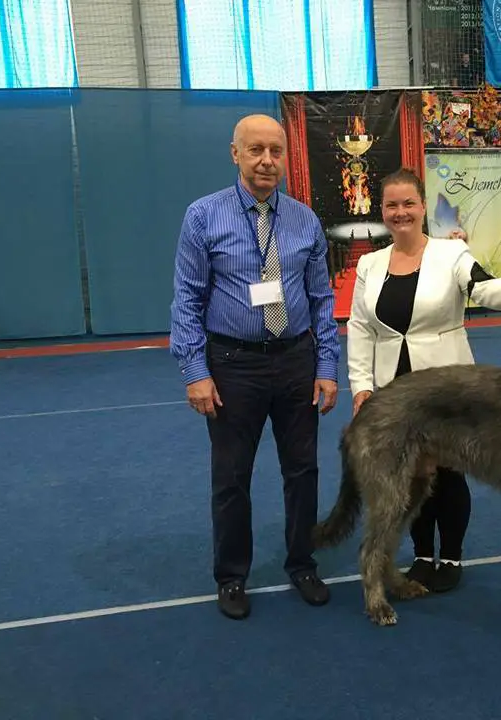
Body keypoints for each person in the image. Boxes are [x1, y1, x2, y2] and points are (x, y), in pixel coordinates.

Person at [345, 167, 501, 593]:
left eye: (409, 203)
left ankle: (452, 556)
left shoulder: (451, 254)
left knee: (451, 472)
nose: (400, 212)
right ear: (382, 211)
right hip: (394, 389)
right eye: (392, 205)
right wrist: (361, 385)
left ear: (422, 207)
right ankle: (422, 555)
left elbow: (486, 289)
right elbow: (360, 327)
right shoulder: (370, 264)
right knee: (408, 475)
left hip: (448, 388)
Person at [169, 114, 341, 620]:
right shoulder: (203, 216)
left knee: (303, 471)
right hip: (231, 365)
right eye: (256, 150)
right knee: (231, 477)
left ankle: (302, 562)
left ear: (286, 157)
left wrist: (325, 364)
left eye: (276, 151)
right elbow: (187, 297)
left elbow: (320, 297)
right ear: (235, 154)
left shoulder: (305, 220)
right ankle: (231, 576)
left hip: (294, 360)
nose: (267, 160)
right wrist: (194, 371)